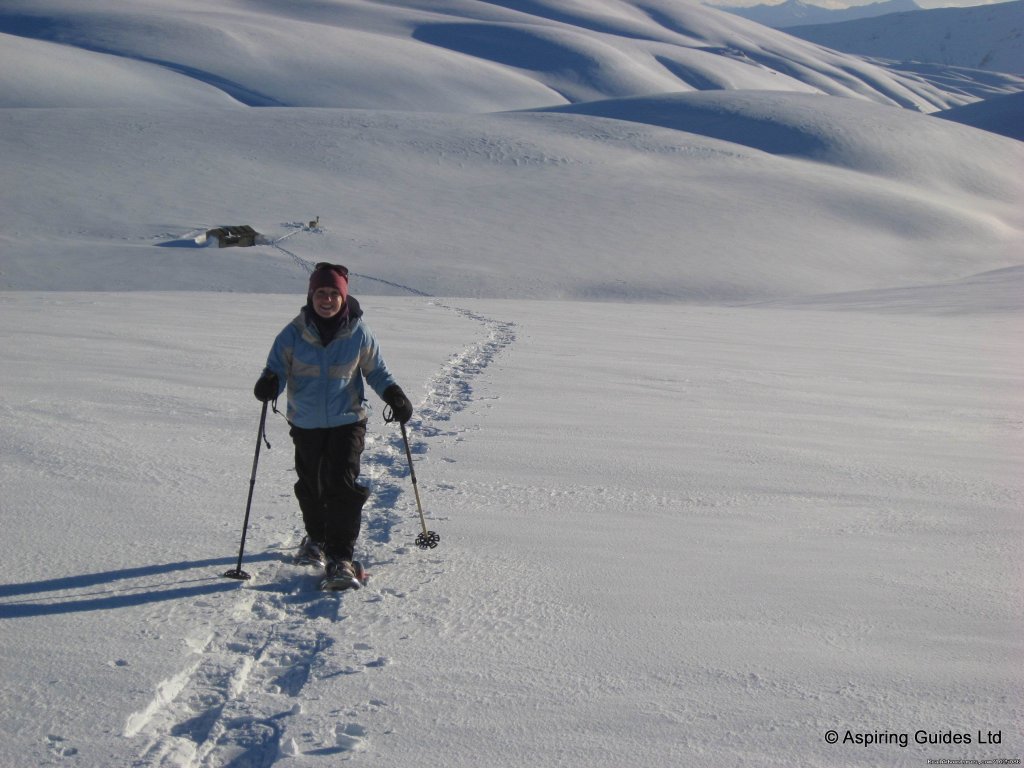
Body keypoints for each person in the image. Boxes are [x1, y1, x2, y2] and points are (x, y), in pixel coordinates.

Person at [253, 262, 413, 586]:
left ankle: (341, 557)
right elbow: (276, 369)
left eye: (333, 294)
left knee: (341, 485)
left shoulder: (358, 331)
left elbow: (376, 371)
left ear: (344, 296)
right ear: (311, 295)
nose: (327, 300)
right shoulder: (292, 334)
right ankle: (316, 539)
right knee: (311, 484)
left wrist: (394, 394)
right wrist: (269, 383)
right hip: (306, 422)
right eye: (321, 293)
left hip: (348, 420)